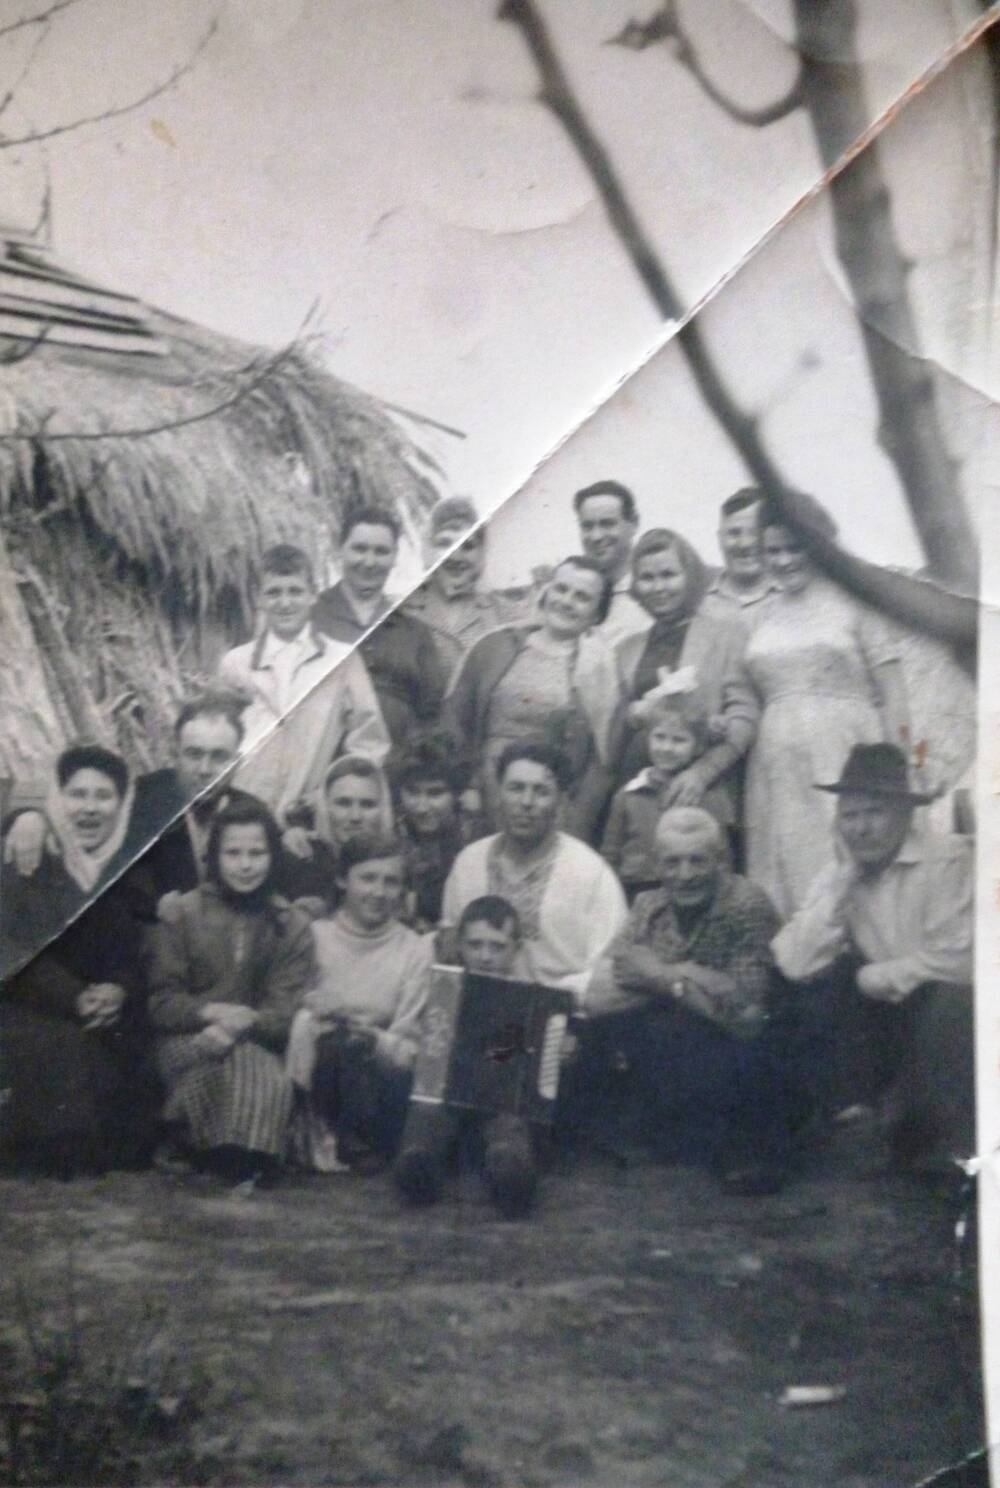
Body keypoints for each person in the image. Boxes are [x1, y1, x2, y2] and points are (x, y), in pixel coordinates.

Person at [772, 744, 973, 1173]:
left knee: (944, 1002)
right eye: (850, 816)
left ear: (905, 813)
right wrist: (843, 883)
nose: (861, 829)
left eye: (875, 813)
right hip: (890, 1018)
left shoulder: (947, 860)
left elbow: (962, 962)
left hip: (954, 1017)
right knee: (818, 983)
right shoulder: (841, 873)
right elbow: (793, 963)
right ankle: (844, 1114)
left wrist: (874, 977)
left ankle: (939, 1137)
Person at [575, 808, 792, 1195]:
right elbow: (596, 997)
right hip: (677, 1054)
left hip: (742, 1061)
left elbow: (747, 1015)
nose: (685, 874)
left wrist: (661, 976)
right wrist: (698, 981)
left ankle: (742, 1151)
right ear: (657, 865)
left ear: (721, 862)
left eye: (698, 860)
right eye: (672, 862)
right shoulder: (646, 907)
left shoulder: (745, 904)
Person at [739, 498, 912, 917]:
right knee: (781, 867)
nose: (783, 560)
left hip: (845, 754)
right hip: (776, 765)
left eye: (794, 548)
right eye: (772, 551)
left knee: (844, 860)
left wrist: (903, 764)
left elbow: (894, 693)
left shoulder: (857, 603)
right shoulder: (761, 615)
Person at [1, 745, 157, 1176]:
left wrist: (118, 989)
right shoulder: (26, 861)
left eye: (103, 796)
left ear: (121, 804)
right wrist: (75, 997)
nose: (89, 809)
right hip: (32, 1007)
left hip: (105, 1015)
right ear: (57, 799)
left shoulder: (130, 868)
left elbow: (135, 950)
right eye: (77, 795)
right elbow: (13, 951)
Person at [147, 797, 316, 1185]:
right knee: (235, 1069)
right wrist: (211, 1014)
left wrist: (243, 1022)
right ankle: (245, 1155)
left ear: (273, 855)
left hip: (256, 1042)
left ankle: (206, 1147)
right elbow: (161, 1003)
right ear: (215, 856)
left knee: (253, 1067)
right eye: (233, 852)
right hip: (188, 1041)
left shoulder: (290, 924)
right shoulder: (183, 913)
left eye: (257, 853)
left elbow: (282, 1012)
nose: (245, 864)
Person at [2, 692, 254, 911]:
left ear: (237, 761)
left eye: (219, 757)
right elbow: (78, 813)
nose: (205, 769)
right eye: (194, 754)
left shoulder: (251, 811)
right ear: (175, 754)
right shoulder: (141, 796)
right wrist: (30, 817)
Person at [440, 741, 628, 1007]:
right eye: (516, 788)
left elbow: (608, 971)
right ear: (499, 793)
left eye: (541, 791)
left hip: (555, 1015)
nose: (526, 802)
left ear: (561, 801)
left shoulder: (590, 873)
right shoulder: (469, 862)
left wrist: (548, 1001)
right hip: (475, 1008)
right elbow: (450, 950)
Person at [286, 832, 433, 1170]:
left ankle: (363, 1143)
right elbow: (291, 1004)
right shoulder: (314, 935)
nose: (378, 892)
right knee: (307, 1025)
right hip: (317, 1074)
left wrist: (351, 1019)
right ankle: (307, 1133)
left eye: (391, 882)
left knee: (355, 1050)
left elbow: (407, 1050)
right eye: (367, 878)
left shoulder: (415, 949)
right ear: (342, 879)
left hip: (378, 1082)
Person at [445, 555, 621, 835]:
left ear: (597, 614)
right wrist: (467, 786)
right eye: (561, 589)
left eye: (582, 597)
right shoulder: (495, 645)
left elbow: (602, 763)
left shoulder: (602, 671)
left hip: (549, 802)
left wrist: (576, 823)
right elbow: (454, 721)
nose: (566, 601)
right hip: (485, 792)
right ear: (546, 590)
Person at [395, 896, 548, 1219]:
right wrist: (422, 1042)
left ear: (516, 949)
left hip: (499, 1098)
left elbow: (530, 1059)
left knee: (509, 1125)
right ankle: (419, 1167)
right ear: (461, 945)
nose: (485, 956)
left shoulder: (527, 995)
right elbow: (411, 1032)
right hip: (447, 1094)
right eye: (475, 945)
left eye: (497, 946)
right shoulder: (444, 987)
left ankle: (511, 1174)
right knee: (427, 1111)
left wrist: (552, 1047)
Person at [218, 542, 390, 821]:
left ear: (313, 594)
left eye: (295, 591)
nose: (285, 603)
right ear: (259, 599)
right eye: (273, 592)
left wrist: (325, 798)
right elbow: (220, 741)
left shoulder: (341, 660)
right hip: (243, 809)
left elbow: (369, 741)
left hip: (306, 814)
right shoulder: (236, 663)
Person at [611, 528, 758, 823]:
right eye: (648, 578)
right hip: (636, 796)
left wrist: (701, 774)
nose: (658, 587)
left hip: (700, 796)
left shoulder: (725, 634)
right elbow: (613, 729)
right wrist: (633, 714)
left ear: (689, 576)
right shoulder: (626, 649)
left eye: (668, 574)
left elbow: (744, 716)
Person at [312, 503, 446, 745]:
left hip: (396, 769)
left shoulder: (415, 633)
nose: (369, 561)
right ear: (340, 550)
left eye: (381, 551)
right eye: (360, 549)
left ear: (395, 557)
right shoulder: (310, 617)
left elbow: (433, 716)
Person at [601, 686, 733, 900]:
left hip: (691, 891)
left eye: (678, 740)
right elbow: (609, 857)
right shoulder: (628, 795)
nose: (666, 748)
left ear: (698, 746)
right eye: (659, 737)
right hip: (636, 893)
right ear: (648, 738)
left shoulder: (709, 796)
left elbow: (723, 859)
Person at [403, 498, 529, 679]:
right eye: (445, 544)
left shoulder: (505, 615)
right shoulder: (403, 611)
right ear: (429, 548)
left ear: (481, 552)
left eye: (468, 545)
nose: (456, 556)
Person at [278, 754, 395, 913]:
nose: (355, 816)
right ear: (325, 806)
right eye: (343, 803)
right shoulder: (298, 858)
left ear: (383, 809)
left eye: (367, 805)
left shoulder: (397, 862)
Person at [388, 729, 475, 931]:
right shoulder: (390, 836)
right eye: (412, 792)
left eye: (435, 793)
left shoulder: (473, 841)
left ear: (456, 793)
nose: (421, 807)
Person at [573, 480, 651, 645]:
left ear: (634, 523)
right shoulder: (567, 593)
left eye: (607, 524)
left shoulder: (655, 591)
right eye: (587, 526)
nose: (596, 536)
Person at [699, 488, 780, 628]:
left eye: (756, 532)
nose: (745, 544)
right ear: (719, 538)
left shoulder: (796, 596)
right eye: (734, 533)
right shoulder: (695, 601)